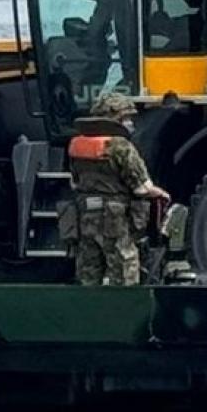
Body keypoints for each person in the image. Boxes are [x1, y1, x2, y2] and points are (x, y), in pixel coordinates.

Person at [59, 92, 169, 285]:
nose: (130, 123)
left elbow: (75, 182)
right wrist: (161, 194)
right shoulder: (121, 146)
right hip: (114, 216)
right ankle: (122, 304)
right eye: (126, 118)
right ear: (114, 118)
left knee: (89, 268)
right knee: (123, 265)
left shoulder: (77, 144)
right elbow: (141, 187)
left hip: (85, 215)